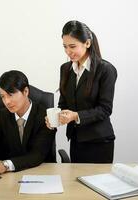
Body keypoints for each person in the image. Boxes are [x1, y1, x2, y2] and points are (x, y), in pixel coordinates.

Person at [46, 20, 117, 163]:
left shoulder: (105, 70)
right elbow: (64, 102)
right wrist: (57, 117)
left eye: (72, 46)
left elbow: (105, 109)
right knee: (77, 182)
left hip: (99, 141)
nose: (68, 51)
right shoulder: (65, 69)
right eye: (65, 47)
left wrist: (76, 116)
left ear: (87, 43)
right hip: (77, 139)